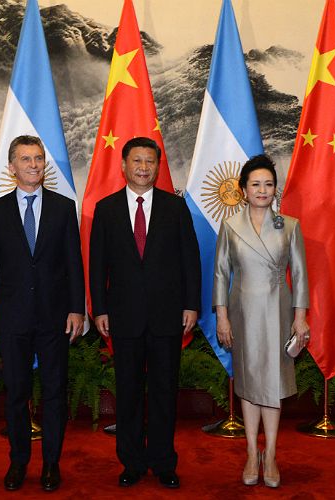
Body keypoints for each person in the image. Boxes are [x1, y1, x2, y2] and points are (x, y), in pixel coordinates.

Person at [0, 135, 84, 493]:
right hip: (13, 317)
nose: (34, 165)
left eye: (38, 159)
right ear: (12, 167)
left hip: (55, 317)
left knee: (54, 392)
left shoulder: (64, 208)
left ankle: (51, 462)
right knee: (17, 392)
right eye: (26, 159)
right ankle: (18, 461)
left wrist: (76, 309)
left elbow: (73, 264)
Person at [89, 137, 200, 489]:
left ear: (157, 166)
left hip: (168, 315)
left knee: (165, 391)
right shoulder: (105, 209)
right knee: (129, 393)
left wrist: (191, 304)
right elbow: (96, 266)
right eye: (136, 160)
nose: (143, 167)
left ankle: (164, 462)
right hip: (123, 317)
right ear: (124, 165)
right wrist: (100, 309)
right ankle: (132, 462)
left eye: (149, 161)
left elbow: (190, 260)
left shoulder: (174, 207)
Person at [212, 154, 309, 488]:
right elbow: (221, 273)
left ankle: (271, 455)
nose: (263, 190)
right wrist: (221, 317)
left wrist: (300, 317)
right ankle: (252, 452)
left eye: (268, 184)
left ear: (274, 189)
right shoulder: (230, 226)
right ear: (243, 190)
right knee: (249, 382)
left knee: (273, 383)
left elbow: (298, 273)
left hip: (278, 313)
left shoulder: (290, 225)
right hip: (241, 314)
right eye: (256, 184)